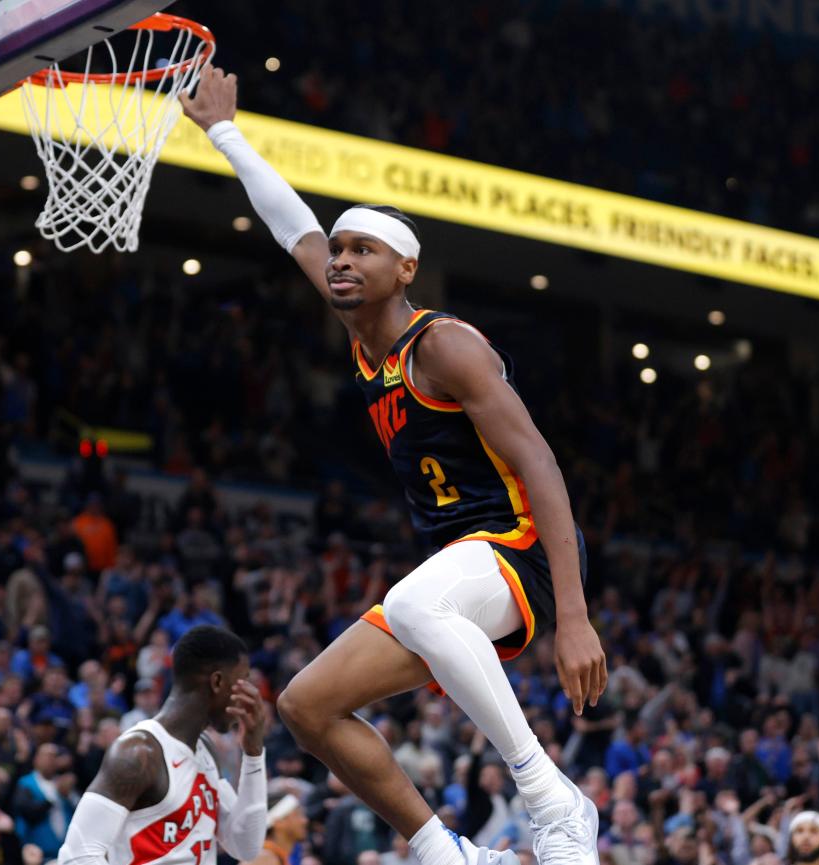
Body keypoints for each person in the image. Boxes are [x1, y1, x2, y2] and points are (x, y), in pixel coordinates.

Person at [182, 67, 607, 865]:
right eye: (340, 251)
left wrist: (575, 615)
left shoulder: (443, 345)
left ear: (405, 269)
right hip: (455, 571)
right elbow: (293, 229)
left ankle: (552, 797)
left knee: (414, 603)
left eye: (363, 250)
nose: (340, 260)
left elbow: (541, 463)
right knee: (309, 706)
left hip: (521, 544)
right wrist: (224, 133)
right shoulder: (362, 334)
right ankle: (448, 852)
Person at [57, 624, 268, 864]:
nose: (251, 693)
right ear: (217, 682)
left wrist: (254, 753)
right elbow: (77, 855)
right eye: (243, 680)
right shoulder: (139, 752)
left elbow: (245, 846)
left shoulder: (206, 750)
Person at [244, 792, 309, 865]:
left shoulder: (272, 856)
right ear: (279, 823)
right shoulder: (264, 858)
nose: (304, 821)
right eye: (297, 815)